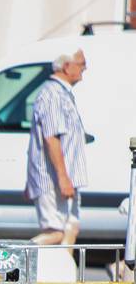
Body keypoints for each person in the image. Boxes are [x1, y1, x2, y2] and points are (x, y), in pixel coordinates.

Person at [25, 48, 88, 247]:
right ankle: (14, 257)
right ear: (66, 66)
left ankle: (65, 276)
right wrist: (63, 177)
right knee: (55, 233)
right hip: (54, 179)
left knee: (71, 228)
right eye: (81, 63)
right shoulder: (52, 95)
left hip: (66, 177)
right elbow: (50, 138)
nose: (85, 68)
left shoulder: (63, 94)